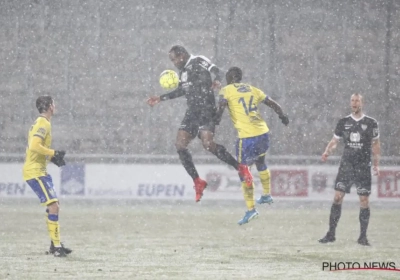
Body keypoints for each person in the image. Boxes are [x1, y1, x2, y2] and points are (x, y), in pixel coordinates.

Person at [147, 45, 253, 203]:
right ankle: (198, 181)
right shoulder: (182, 73)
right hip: (192, 112)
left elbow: (219, 71)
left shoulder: (198, 60)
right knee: (180, 145)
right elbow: (182, 91)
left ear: (182, 55)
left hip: (206, 109)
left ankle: (241, 168)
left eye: (174, 59)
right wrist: (161, 98)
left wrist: (216, 80)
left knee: (208, 144)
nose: (174, 62)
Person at [216, 67, 289, 225]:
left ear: (230, 78)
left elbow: (221, 107)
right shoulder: (252, 89)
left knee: (243, 170)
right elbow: (273, 104)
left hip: (247, 137)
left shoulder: (226, 90)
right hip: (263, 133)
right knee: (261, 161)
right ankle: (267, 194)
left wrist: (215, 121)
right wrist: (282, 116)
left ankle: (251, 210)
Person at [318, 93, 380, 246]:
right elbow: (335, 141)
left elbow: (376, 144)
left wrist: (376, 164)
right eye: (352, 100)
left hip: (362, 166)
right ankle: (331, 234)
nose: (354, 103)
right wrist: (327, 151)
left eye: (357, 101)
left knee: (364, 200)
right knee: (338, 197)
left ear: (362, 103)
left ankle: (362, 237)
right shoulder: (343, 122)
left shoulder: (371, 123)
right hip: (346, 165)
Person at [23, 96, 72, 257]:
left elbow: (36, 147)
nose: (55, 106)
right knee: (54, 206)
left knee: (54, 205)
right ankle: (56, 247)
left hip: (39, 170)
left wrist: (52, 158)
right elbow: (35, 146)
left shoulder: (41, 122)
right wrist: (53, 153)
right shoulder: (43, 123)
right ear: (50, 106)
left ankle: (54, 244)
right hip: (35, 171)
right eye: (54, 103)